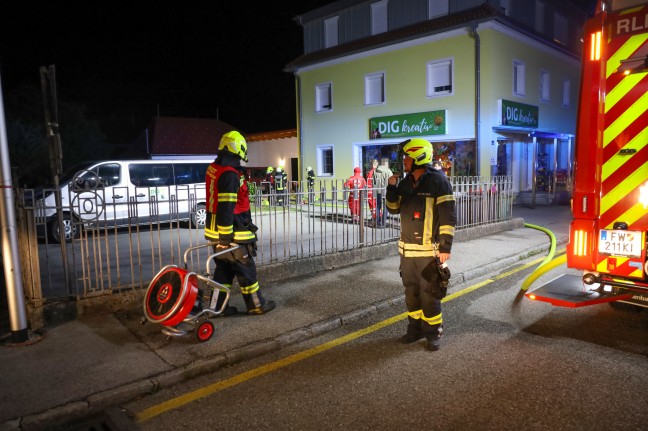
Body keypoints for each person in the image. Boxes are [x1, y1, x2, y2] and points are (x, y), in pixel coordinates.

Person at [386, 138, 456, 351]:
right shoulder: (405, 183)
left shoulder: (438, 182)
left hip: (428, 253)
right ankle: (414, 330)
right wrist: (391, 188)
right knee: (411, 294)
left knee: (430, 294)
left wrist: (445, 247)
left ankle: (433, 334)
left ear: (418, 156)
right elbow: (393, 208)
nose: (404, 161)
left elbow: (448, 216)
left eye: (407, 156)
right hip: (407, 254)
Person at [205, 131, 276, 315]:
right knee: (246, 270)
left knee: (224, 271)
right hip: (233, 234)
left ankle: (217, 307)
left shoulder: (214, 168)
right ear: (238, 147)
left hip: (215, 232)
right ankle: (256, 305)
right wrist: (226, 237)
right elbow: (226, 207)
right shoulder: (229, 174)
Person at [372, 158, 393, 227]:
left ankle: (377, 222)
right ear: (386, 163)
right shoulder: (388, 171)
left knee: (378, 207)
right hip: (386, 191)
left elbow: (373, 182)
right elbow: (392, 182)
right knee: (385, 207)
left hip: (378, 191)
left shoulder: (375, 171)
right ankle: (383, 223)